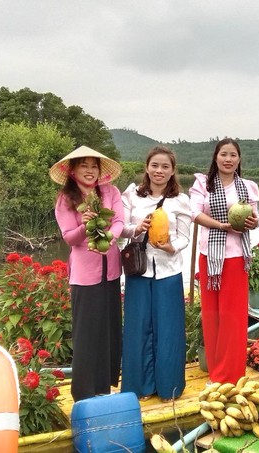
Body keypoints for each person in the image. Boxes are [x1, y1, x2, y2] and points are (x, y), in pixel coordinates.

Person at [50, 145, 124, 402]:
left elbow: (119, 222)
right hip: (84, 275)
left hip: (111, 271)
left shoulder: (110, 192)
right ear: (73, 170)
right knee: (86, 332)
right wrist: (84, 225)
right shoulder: (66, 199)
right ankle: (83, 392)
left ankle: (104, 387)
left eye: (94, 166)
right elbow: (70, 238)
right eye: (84, 166)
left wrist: (109, 238)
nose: (90, 171)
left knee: (109, 329)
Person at [120, 146, 191, 401]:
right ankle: (140, 387)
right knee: (137, 328)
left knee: (169, 329)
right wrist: (138, 228)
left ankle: (168, 387)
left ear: (172, 171)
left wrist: (172, 247)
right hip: (138, 270)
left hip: (168, 271)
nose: (159, 171)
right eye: (155, 165)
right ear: (146, 167)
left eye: (165, 167)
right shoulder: (131, 195)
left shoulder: (180, 201)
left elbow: (184, 237)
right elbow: (121, 228)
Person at [189, 138, 259, 384]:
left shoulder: (248, 187)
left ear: (239, 159)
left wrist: (253, 222)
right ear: (215, 157)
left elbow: (255, 217)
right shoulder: (203, 184)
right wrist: (220, 225)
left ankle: (230, 375)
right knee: (212, 315)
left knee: (234, 316)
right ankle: (216, 373)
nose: (228, 159)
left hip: (237, 257)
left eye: (233, 155)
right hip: (210, 257)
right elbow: (194, 213)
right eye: (224, 154)